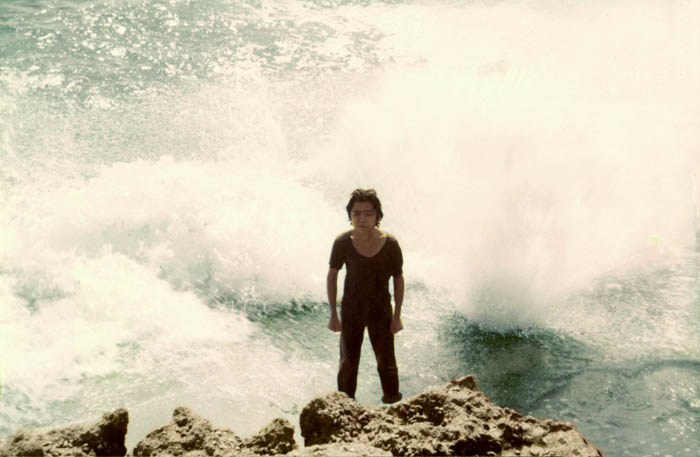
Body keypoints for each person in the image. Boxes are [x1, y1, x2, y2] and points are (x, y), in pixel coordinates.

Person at [326, 188, 404, 404]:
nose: (362, 219)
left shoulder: (390, 244)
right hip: (351, 310)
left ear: (377, 215)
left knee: (386, 362)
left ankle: (394, 406)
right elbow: (332, 275)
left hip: (381, 311)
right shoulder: (342, 242)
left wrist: (397, 315)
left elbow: (398, 279)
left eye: (368, 214)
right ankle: (345, 407)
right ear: (350, 215)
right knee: (348, 363)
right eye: (356, 213)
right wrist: (333, 314)